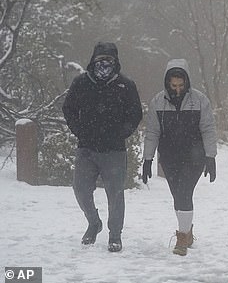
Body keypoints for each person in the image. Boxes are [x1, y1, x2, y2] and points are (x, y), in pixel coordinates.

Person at [62, 42, 143, 252]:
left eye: (108, 61)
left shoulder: (126, 85)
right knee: (80, 189)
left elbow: (135, 114)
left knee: (115, 194)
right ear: (93, 61)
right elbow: (68, 108)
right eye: (100, 61)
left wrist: (121, 133)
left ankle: (115, 235)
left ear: (115, 62)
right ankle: (93, 222)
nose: (104, 65)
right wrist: (79, 130)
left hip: (115, 150)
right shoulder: (81, 83)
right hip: (86, 148)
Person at [141, 58, 218, 256]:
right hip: (169, 156)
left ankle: (182, 238)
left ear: (187, 82)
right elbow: (152, 132)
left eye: (181, 85)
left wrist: (210, 157)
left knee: (184, 192)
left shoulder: (200, 101)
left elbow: (208, 129)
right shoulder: (157, 102)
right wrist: (148, 159)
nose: (177, 89)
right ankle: (187, 231)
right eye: (173, 85)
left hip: (194, 155)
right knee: (178, 195)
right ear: (167, 83)